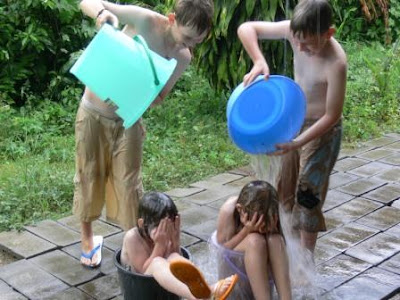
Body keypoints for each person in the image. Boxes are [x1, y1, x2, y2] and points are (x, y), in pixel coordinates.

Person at [75, 0, 214, 267]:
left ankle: (134, 245)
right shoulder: (146, 20)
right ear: (172, 18)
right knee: (89, 175)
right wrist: (103, 15)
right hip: (93, 110)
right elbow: (88, 2)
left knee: (130, 184)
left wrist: (137, 91)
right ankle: (87, 240)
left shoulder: (183, 56)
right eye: (187, 37)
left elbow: (159, 97)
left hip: (129, 119)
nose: (190, 45)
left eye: (198, 41)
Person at [237, 0, 347, 255]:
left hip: (323, 132)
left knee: (307, 193)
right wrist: (258, 60)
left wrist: (298, 143)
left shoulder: (336, 63)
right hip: (294, 121)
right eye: (296, 40)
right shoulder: (293, 31)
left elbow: (332, 115)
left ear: (328, 34)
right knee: (283, 187)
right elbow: (246, 28)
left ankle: (306, 260)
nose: (299, 47)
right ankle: (284, 249)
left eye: (307, 43)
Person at [121, 191, 239, 300]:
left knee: (174, 257)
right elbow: (142, 272)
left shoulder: (164, 234)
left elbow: (176, 263)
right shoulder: (132, 237)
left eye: (169, 225)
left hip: (165, 286)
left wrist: (175, 240)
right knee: (157, 262)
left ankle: (207, 290)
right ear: (142, 224)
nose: (165, 231)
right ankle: (201, 297)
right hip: (140, 289)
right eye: (160, 227)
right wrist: (159, 245)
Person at [215, 180, 291, 300]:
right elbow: (222, 251)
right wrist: (246, 231)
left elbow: (280, 251)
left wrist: (273, 229)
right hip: (233, 274)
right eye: (258, 224)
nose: (262, 230)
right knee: (255, 240)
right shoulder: (228, 210)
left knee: (276, 239)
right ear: (240, 210)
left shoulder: (270, 208)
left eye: (265, 225)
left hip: (259, 271)